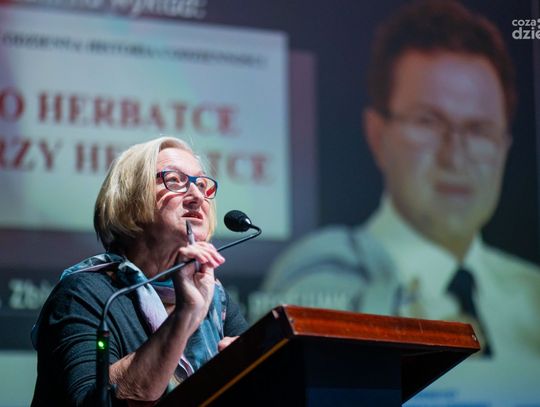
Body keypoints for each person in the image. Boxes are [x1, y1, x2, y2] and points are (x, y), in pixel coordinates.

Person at [262, 1, 540, 402]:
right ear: (378, 134)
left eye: (479, 129)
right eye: (428, 121)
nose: (455, 156)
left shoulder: (533, 294)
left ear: (504, 147)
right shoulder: (323, 269)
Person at [31, 136, 248, 406]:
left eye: (202, 184)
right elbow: (92, 402)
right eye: (174, 180)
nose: (196, 196)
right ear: (130, 199)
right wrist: (186, 314)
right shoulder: (85, 295)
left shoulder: (216, 301)